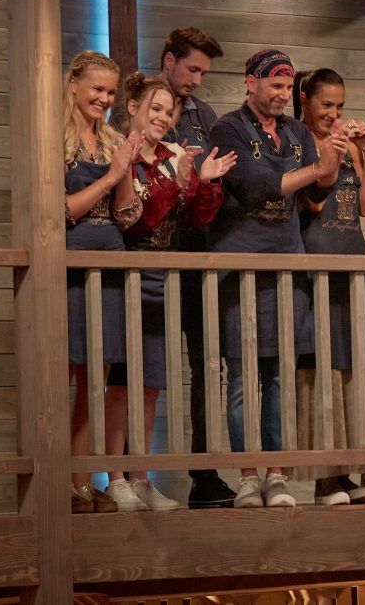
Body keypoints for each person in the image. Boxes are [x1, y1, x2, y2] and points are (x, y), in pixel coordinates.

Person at [207, 49, 346, 507]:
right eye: (276, 86)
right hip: (240, 267)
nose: (284, 95)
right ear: (251, 83)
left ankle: (277, 473)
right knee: (242, 377)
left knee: (281, 376)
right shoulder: (228, 128)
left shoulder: (296, 131)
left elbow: (318, 190)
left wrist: (334, 160)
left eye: (288, 87)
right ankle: (248, 475)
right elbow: (255, 185)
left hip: (288, 265)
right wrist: (318, 168)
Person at [111, 27, 237, 508]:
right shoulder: (123, 150)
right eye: (157, 110)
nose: (165, 117)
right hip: (130, 272)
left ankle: (142, 478)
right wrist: (177, 181)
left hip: (173, 271)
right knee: (121, 381)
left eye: (170, 113)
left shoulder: (177, 147)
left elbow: (198, 215)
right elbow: (136, 220)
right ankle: (115, 479)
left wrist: (203, 182)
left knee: (152, 383)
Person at [293, 68, 365, 505]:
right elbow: (310, 204)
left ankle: (362, 466)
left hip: (354, 261)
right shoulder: (297, 140)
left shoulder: (346, 144)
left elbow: (363, 206)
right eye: (326, 104)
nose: (333, 113)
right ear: (305, 100)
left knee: (359, 367)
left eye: (340, 106)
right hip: (317, 262)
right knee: (323, 369)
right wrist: (327, 156)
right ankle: (326, 476)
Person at [62, 51, 142, 513]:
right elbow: (62, 211)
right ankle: (60, 482)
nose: (105, 99)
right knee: (65, 378)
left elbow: (127, 216)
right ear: (74, 83)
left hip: (111, 265)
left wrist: (125, 171)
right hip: (71, 269)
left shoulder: (112, 140)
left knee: (98, 381)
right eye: (98, 89)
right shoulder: (55, 139)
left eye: (111, 93)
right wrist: (111, 176)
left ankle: (81, 484)